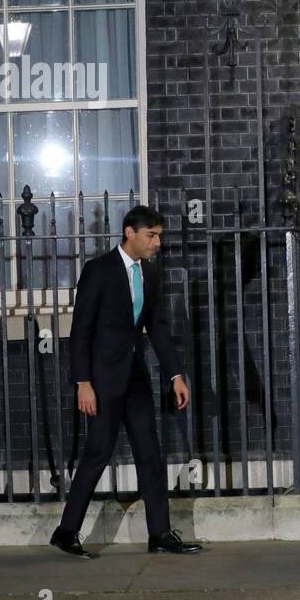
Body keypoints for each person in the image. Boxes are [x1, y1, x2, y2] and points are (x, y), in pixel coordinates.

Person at [49, 205, 200, 558]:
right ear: (130, 233)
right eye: (151, 235)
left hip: (135, 379)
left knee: (150, 452)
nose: (157, 242)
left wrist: (176, 374)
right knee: (98, 453)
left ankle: (160, 533)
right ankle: (66, 531)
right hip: (101, 381)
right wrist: (82, 382)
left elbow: (157, 328)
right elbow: (80, 331)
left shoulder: (150, 274)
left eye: (159, 235)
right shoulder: (98, 271)